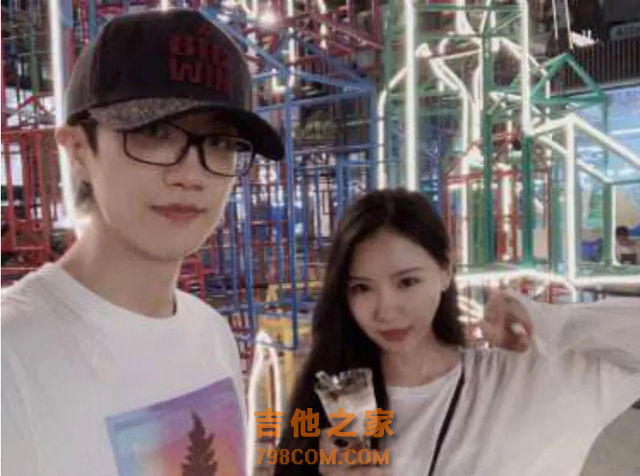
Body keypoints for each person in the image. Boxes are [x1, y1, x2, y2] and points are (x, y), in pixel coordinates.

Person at [2, 9, 283, 476]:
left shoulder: (212, 335)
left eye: (220, 142)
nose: (190, 174)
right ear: (78, 150)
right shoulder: (12, 358)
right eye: (154, 133)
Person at [274, 188, 640, 476]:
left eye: (407, 282)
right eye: (361, 288)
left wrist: (545, 320)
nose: (385, 310)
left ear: (446, 269)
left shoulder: (531, 380)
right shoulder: (337, 411)